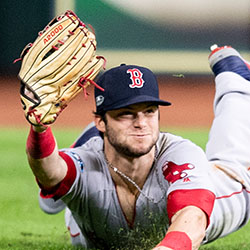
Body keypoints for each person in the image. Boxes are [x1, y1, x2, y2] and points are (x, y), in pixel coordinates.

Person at [28, 45, 250, 250]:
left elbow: (193, 217)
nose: (141, 123)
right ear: (101, 122)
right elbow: (51, 172)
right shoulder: (86, 162)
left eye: (150, 111)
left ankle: (236, 82)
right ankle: (78, 167)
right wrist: (40, 130)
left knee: (233, 166)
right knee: (57, 191)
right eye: (126, 113)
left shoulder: (178, 153)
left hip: (213, 199)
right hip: (90, 214)